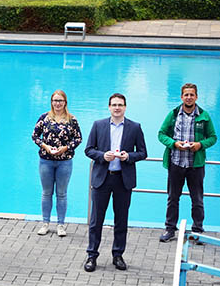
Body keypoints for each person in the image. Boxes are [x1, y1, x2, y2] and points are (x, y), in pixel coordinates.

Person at [83, 93, 147, 273]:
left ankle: (118, 255)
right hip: (102, 178)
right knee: (96, 221)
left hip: (122, 179)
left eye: (120, 105)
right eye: (114, 105)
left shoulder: (135, 127)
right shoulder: (98, 125)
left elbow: (142, 152)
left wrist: (129, 156)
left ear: (125, 107)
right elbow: (88, 150)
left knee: (121, 220)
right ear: (109, 107)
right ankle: (92, 255)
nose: (117, 108)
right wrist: (102, 156)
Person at [158, 83, 218, 243]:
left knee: (197, 199)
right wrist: (174, 144)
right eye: (186, 95)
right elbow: (161, 134)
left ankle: (197, 231)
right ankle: (170, 229)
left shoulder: (204, 116)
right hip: (176, 164)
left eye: (192, 94)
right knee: (172, 198)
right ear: (181, 97)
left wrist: (200, 145)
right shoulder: (174, 114)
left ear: (196, 97)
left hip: (195, 165)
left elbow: (213, 137)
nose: (189, 97)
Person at [31, 90, 82, 237]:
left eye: (60, 101)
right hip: (46, 161)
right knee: (46, 193)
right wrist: (45, 147)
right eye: (55, 100)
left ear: (65, 102)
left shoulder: (72, 119)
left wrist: (65, 148)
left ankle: (60, 224)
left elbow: (78, 138)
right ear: (51, 102)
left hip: (64, 162)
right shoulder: (44, 118)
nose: (57, 103)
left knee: (62, 194)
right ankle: (45, 223)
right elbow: (35, 136)